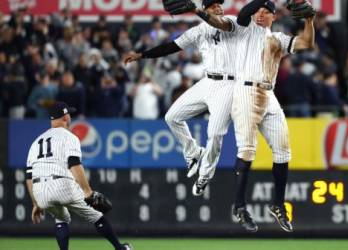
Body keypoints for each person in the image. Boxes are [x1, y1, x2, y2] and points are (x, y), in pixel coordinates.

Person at [197, 0, 315, 232]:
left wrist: (310, 20)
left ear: (274, 17)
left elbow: (306, 42)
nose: (260, 14)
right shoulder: (244, 29)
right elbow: (239, 14)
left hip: (268, 94)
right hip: (245, 92)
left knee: (283, 152)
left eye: (266, 12)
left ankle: (278, 204)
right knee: (247, 150)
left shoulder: (278, 39)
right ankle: (239, 206)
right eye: (258, 11)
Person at [124, 0, 238, 196]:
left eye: (220, 4)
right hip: (207, 81)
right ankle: (193, 152)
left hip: (228, 85)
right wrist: (142, 55)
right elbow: (170, 47)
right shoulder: (198, 31)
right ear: (205, 9)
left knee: (215, 134)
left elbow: (221, 24)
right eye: (213, 6)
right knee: (172, 117)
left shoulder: (232, 22)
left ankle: (204, 176)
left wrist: (198, 11)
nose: (218, 7)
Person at [25, 101, 132, 250]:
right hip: (61, 185)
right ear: (65, 117)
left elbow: (29, 176)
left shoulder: (36, 142)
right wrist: (87, 191)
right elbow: (74, 164)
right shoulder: (69, 137)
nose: (70, 117)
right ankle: (120, 248)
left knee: (61, 218)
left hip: (40, 192)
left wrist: (36, 203)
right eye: (69, 114)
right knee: (95, 215)